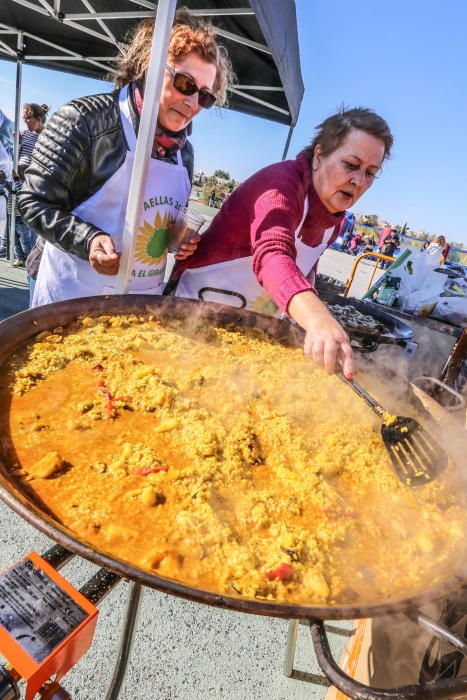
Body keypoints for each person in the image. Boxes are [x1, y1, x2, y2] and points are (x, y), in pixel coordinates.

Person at [19, 9, 232, 307]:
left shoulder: (186, 153)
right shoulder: (86, 119)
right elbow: (33, 200)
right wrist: (89, 239)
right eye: (185, 83)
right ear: (151, 66)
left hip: (140, 305)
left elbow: (159, 223)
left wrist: (176, 240)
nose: (193, 102)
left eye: (205, 96)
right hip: (70, 295)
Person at [171, 107, 393, 377]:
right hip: (194, 314)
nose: (359, 180)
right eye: (351, 165)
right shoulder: (279, 184)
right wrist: (317, 318)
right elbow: (272, 253)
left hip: (252, 330)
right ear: (319, 155)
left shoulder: (333, 218)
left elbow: (306, 267)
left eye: (370, 172)